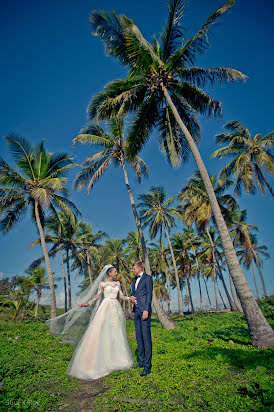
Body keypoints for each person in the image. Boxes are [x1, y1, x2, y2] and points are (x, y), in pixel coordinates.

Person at [45, 264, 136, 380]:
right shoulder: (102, 284)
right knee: (101, 331)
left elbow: (122, 297)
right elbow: (98, 296)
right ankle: (99, 361)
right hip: (105, 307)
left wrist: (130, 298)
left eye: (116, 271)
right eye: (115, 271)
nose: (116, 273)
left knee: (116, 332)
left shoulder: (117, 284)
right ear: (109, 273)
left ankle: (118, 360)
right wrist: (88, 303)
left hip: (115, 308)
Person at [131, 261, 153, 377]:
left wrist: (146, 309)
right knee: (138, 337)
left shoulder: (147, 278)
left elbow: (149, 294)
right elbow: (134, 293)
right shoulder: (134, 280)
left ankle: (147, 366)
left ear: (139, 268)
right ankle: (141, 361)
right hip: (136, 310)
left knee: (146, 338)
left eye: (134, 269)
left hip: (144, 310)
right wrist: (132, 298)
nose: (133, 271)